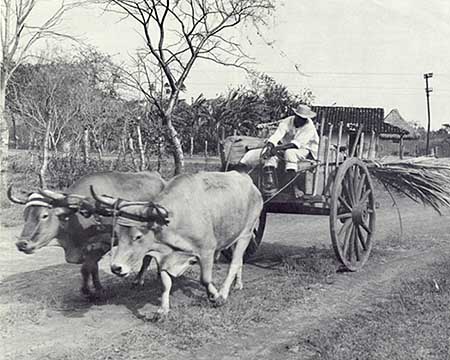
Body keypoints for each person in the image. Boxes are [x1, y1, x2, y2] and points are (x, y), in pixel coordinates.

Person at [237, 104, 319, 198]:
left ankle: (293, 187)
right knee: (270, 156)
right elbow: (277, 135)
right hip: (287, 146)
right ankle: (270, 185)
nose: (301, 120)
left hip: (306, 149)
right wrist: (270, 146)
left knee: (290, 153)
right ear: (295, 115)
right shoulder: (287, 121)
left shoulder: (309, 127)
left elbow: (296, 144)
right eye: (299, 117)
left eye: (303, 118)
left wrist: (277, 148)